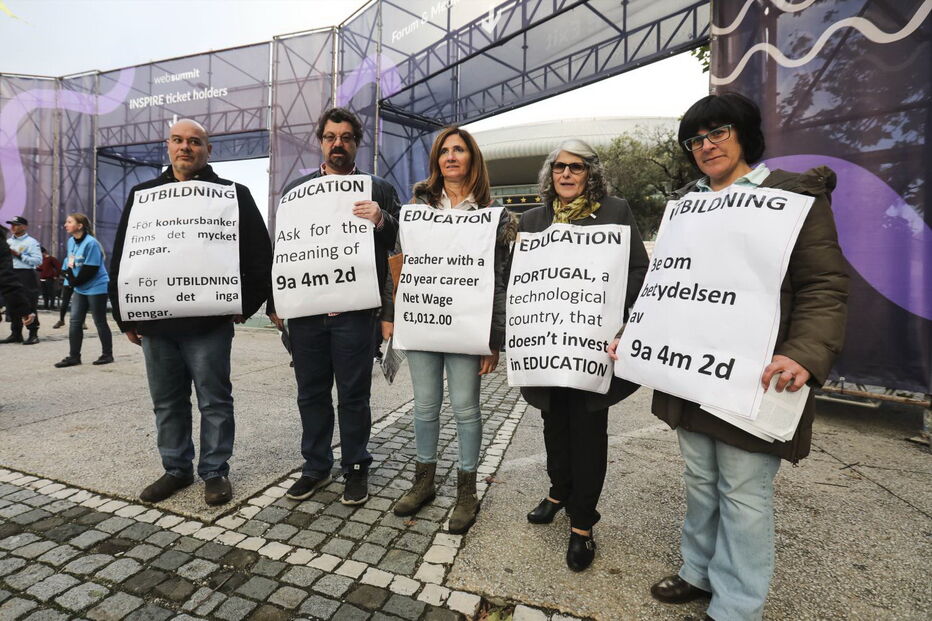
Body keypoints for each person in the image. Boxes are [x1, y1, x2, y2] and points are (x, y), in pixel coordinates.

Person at [636, 93, 848, 621]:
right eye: (695, 140)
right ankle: (697, 571)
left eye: (718, 133)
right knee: (701, 482)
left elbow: (824, 284)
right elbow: (666, 284)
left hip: (755, 375)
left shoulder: (793, 198)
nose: (706, 146)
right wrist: (634, 332)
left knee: (744, 492)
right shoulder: (686, 205)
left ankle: (736, 607)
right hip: (690, 374)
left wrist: (804, 352)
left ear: (745, 134)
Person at [109, 119, 273, 506]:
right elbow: (123, 257)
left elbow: (258, 256)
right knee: (167, 401)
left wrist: (243, 305)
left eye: (195, 142)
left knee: (214, 400)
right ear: (168, 146)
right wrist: (125, 314)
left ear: (207, 150)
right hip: (157, 323)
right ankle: (176, 469)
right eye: (179, 141)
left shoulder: (233, 195)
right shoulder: (143, 195)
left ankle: (215, 472)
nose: (186, 148)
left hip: (209, 323)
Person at [520, 139, 649, 571]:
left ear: (591, 173)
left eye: (576, 168)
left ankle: (582, 524)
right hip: (547, 349)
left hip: (591, 347)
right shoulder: (533, 219)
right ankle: (559, 492)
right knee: (553, 423)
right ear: (550, 174)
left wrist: (611, 307)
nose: (567, 175)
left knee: (588, 430)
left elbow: (637, 269)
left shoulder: (615, 211)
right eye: (559, 168)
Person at [384, 127, 515, 533]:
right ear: (436, 161)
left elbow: (500, 280)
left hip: (466, 329)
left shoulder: (494, 216)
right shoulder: (416, 209)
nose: (452, 157)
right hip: (424, 323)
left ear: (472, 159)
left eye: (459, 150)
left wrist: (494, 340)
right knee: (424, 407)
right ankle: (423, 483)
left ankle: (466, 491)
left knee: (465, 409)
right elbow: (400, 264)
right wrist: (392, 314)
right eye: (444, 151)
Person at [268, 107, 400, 506]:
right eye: (330, 137)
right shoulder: (297, 190)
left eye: (345, 137)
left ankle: (356, 466)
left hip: (357, 313)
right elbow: (285, 250)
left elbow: (397, 247)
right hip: (307, 314)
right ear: (321, 141)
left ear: (357, 142)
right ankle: (315, 465)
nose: (337, 143)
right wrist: (276, 301)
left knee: (354, 394)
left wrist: (381, 219)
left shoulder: (376, 188)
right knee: (310, 393)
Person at [54, 214, 113, 367]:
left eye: (69, 222)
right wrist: (68, 276)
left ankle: (107, 355)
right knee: (75, 321)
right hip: (80, 286)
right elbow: (71, 262)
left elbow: (91, 269)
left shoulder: (91, 243)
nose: (65, 224)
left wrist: (74, 282)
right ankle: (74, 356)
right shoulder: (70, 241)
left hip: (96, 286)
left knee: (99, 321)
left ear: (79, 226)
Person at [3, 216, 41, 344]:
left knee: (29, 302)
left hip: (25, 273)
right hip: (9, 273)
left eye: (16, 224)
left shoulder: (32, 242)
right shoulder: (7, 241)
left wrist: (19, 255)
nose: (13, 227)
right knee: (12, 301)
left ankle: (33, 333)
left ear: (24, 227)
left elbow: (37, 261)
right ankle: (16, 333)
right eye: (11, 224)